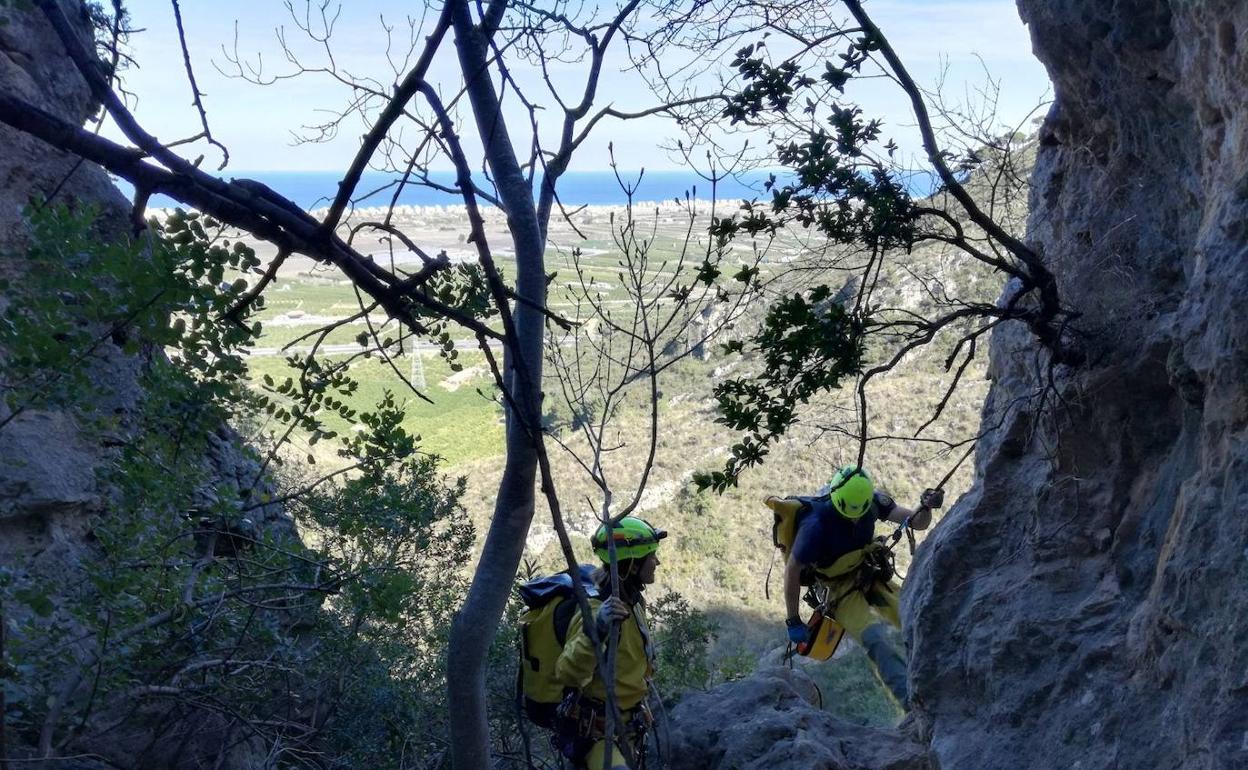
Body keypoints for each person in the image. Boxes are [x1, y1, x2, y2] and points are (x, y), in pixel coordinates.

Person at [778, 465, 942, 706]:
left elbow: (917, 522)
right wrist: (793, 619)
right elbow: (792, 571)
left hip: (869, 570)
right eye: (850, 514)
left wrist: (926, 506)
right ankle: (911, 702)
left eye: (859, 512)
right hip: (838, 589)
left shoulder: (873, 502)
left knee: (913, 617)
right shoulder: (815, 525)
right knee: (875, 638)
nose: (855, 517)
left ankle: (940, 672)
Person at [554, 516, 666, 769]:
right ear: (632, 566)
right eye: (651, 557)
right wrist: (599, 629)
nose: (657, 562)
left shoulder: (633, 602)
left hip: (630, 728)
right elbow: (567, 672)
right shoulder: (595, 613)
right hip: (599, 737)